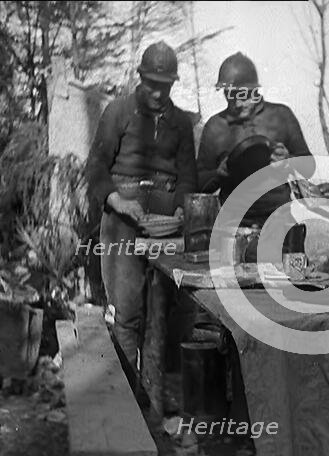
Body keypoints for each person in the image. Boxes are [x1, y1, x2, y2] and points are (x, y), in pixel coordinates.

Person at [85, 41, 197, 386]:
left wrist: (180, 207)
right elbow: (96, 167)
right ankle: (128, 398)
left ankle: (154, 398)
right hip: (122, 223)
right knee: (128, 313)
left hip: (164, 228)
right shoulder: (118, 112)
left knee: (161, 317)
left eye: (165, 86)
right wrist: (117, 200)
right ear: (140, 78)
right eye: (152, 84)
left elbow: (188, 175)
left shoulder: (180, 123)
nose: (158, 93)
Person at [196, 52, 315, 236]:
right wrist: (217, 174)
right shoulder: (215, 127)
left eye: (243, 95)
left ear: (255, 90)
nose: (237, 103)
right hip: (232, 225)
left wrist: (288, 161)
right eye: (230, 95)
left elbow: (309, 167)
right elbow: (199, 183)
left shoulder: (280, 116)